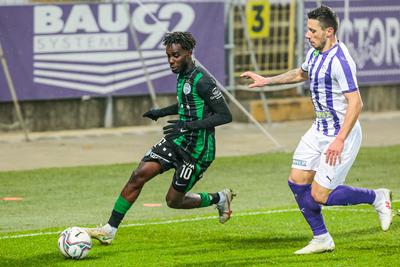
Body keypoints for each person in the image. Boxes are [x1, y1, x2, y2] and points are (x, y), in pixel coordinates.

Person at [241, 5, 392, 254]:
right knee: (297, 182)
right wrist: (267, 80)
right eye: (308, 29)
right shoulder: (315, 52)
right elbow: (301, 73)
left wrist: (340, 140)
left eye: (313, 30)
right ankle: (321, 238)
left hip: (341, 134)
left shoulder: (341, 61)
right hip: (318, 130)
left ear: (329, 31)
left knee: (321, 195)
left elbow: (356, 103)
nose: (308, 35)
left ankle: (377, 197)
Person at [85, 31, 234, 245]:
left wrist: (187, 125)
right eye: (168, 56)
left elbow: (225, 115)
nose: (171, 61)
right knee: (138, 175)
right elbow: (187, 103)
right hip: (177, 140)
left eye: (176, 55)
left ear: (189, 53)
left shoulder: (203, 81)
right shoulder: (183, 75)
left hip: (197, 151)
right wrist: (162, 112)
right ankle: (110, 229)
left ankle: (219, 198)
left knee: (173, 201)